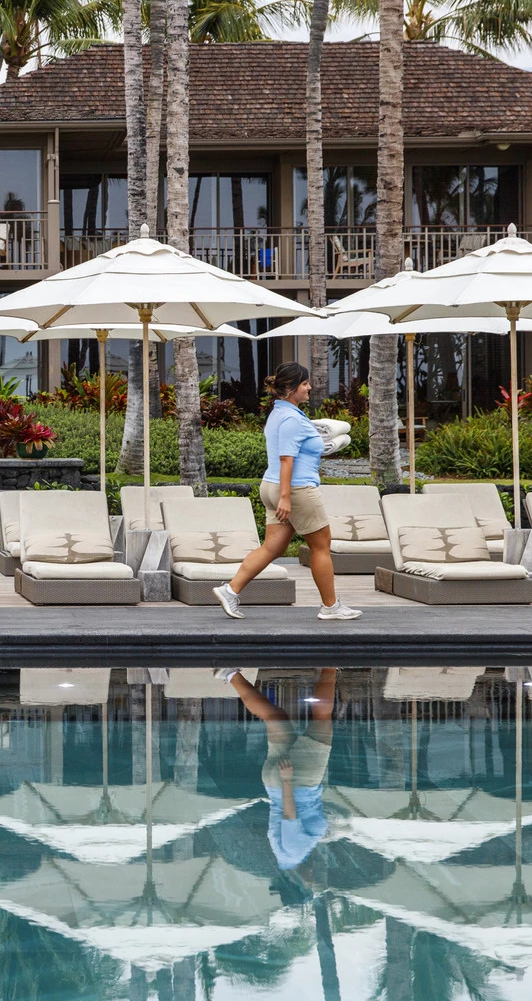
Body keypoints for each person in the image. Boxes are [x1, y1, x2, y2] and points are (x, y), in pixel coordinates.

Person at [213, 362, 361, 621]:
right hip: (295, 488)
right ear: (292, 388)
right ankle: (330, 607)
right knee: (321, 546)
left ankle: (230, 590)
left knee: (272, 547)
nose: (310, 387)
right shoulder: (292, 419)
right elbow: (286, 460)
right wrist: (285, 498)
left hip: (272, 485)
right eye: (305, 384)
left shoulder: (280, 413)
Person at [225, 667, 338, 872]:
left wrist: (287, 779)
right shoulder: (283, 855)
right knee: (275, 717)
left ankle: (330, 662)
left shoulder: (295, 851)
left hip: (296, 783)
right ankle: (231, 675)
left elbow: (289, 816)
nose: (315, 879)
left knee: (321, 717)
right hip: (274, 784)